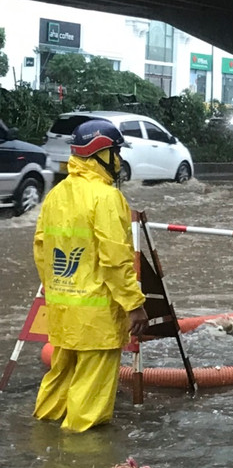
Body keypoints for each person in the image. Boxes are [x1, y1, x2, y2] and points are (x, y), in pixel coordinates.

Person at [32, 119, 148, 432]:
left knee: (59, 382)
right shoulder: (107, 198)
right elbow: (115, 260)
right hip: (97, 318)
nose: (119, 160)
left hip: (62, 310)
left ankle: (41, 440)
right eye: (116, 152)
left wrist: (58, 290)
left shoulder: (57, 194)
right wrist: (134, 305)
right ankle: (80, 454)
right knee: (89, 406)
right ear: (102, 153)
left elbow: (41, 250)